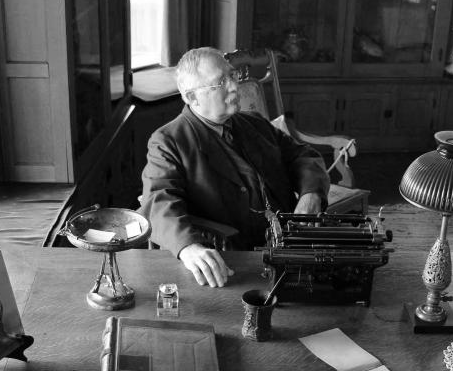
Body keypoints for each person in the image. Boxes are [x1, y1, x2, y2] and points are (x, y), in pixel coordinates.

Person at [139, 47, 330, 288]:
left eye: (232, 75)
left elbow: (303, 155)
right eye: (220, 82)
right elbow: (158, 200)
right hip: (235, 259)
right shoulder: (169, 141)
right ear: (192, 97)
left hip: (290, 242)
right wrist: (188, 247)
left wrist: (311, 193)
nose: (233, 86)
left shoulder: (254, 123)